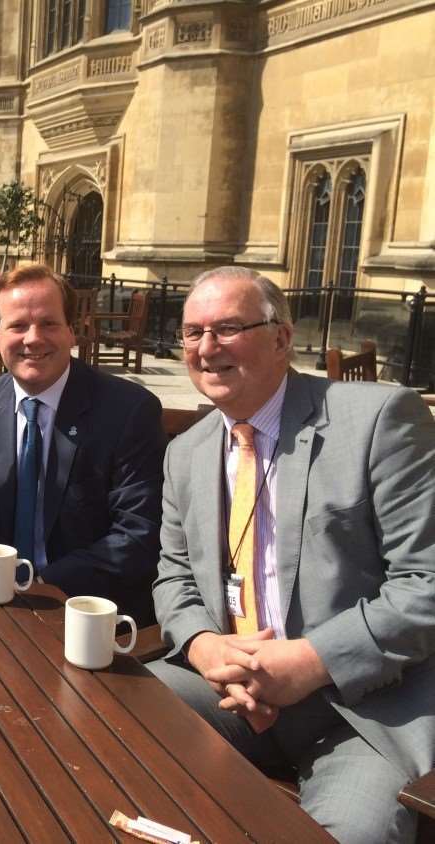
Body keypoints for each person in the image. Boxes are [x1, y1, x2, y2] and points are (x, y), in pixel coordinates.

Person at [147, 267, 435, 843]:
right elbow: (173, 577)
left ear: (282, 338)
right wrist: (207, 649)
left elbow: (424, 583)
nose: (207, 348)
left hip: (362, 711)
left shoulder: (378, 420)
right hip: (226, 690)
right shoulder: (186, 452)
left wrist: (306, 662)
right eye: (192, 332)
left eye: (229, 328)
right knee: (92, 710)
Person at [0, 263, 164, 625]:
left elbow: (138, 531)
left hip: (90, 614)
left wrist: (40, 585)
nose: (33, 338)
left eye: (48, 323)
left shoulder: (129, 411)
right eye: (17, 326)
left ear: (73, 332)